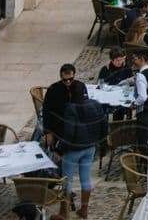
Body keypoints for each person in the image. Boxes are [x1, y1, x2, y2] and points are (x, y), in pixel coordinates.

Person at [44, 78, 104, 219]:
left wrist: (61, 149)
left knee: (67, 181)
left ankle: (64, 213)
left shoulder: (71, 108)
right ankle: (84, 209)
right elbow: (103, 126)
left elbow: (69, 133)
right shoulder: (95, 104)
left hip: (74, 150)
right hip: (90, 147)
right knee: (85, 179)